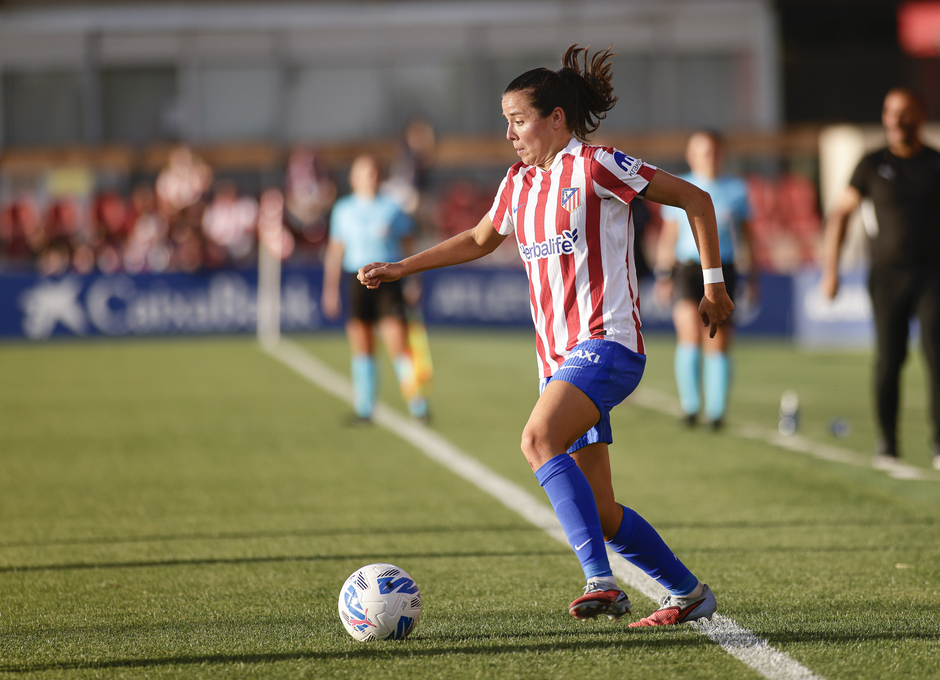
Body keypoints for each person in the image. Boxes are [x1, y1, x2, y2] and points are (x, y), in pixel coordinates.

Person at [358, 45, 733, 625]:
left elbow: (696, 199)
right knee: (602, 512)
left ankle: (600, 582)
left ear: (556, 118)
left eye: (518, 119)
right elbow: (482, 239)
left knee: (536, 439)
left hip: (608, 344)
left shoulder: (597, 164)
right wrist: (401, 267)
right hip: (558, 361)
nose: (509, 133)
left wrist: (713, 285)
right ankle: (688, 593)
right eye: (505, 121)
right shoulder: (517, 183)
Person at [821, 87, 940, 471]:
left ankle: (938, 444)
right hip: (887, 277)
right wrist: (831, 268)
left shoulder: (935, 164)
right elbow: (841, 214)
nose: (896, 119)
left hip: (932, 275)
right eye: (890, 112)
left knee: (937, 355)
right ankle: (888, 443)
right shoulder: (872, 163)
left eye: (904, 112)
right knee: (890, 359)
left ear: (920, 116)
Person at [653, 130, 757, 430]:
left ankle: (716, 412)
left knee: (718, 340)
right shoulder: (679, 186)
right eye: (700, 151)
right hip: (687, 268)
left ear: (721, 153)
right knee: (688, 333)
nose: (707, 157)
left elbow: (747, 237)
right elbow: (669, 236)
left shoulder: (735, 189)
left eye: (712, 151)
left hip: (723, 270)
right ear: (690, 154)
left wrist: (753, 275)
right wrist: (663, 274)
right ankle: (690, 407)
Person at [322, 154, 430, 424]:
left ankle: (418, 404)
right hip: (355, 279)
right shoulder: (343, 209)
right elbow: (336, 251)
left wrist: (413, 280)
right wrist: (330, 289)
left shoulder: (392, 208)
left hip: (386, 282)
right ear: (353, 178)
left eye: (372, 171)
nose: (369, 177)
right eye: (363, 172)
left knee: (397, 342)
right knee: (362, 344)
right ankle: (365, 408)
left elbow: (407, 245)